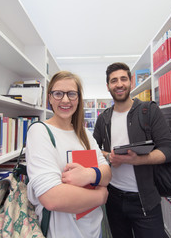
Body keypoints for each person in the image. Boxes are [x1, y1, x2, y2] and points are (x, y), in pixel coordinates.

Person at [93, 62, 171, 238]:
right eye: (114, 81)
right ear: (108, 86)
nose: (119, 84)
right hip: (113, 199)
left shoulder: (149, 111)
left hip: (145, 200)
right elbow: (92, 150)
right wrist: (109, 156)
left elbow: (168, 150)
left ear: (131, 82)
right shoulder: (103, 119)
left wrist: (138, 160)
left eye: (123, 79)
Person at [26, 71, 112, 238]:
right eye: (58, 93)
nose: (65, 100)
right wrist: (101, 196)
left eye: (71, 94)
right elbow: (52, 198)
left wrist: (89, 174)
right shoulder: (40, 131)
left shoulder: (85, 135)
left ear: (78, 99)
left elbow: (107, 174)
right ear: (49, 98)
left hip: (94, 230)